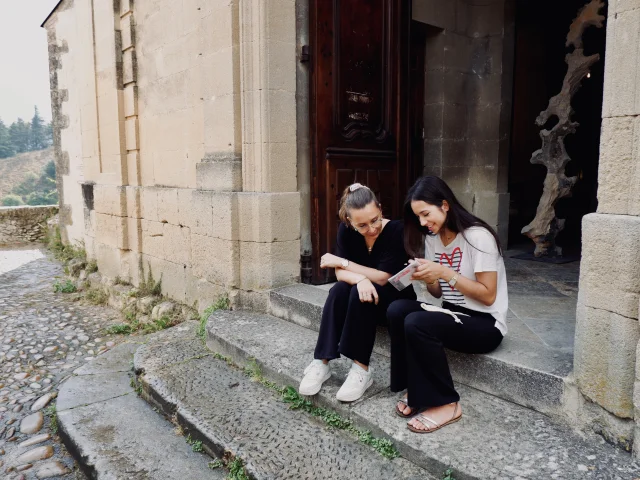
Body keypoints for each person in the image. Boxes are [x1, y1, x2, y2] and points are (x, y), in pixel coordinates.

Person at [387, 176, 508, 433]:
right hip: (452, 313)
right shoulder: (433, 238)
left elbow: (488, 295)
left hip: (485, 323)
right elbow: (437, 292)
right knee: (398, 309)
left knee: (417, 322)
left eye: (426, 213)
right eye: (417, 216)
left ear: (445, 205)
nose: (422, 222)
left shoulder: (478, 237)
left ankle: (447, 403)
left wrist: (443, 271)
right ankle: (416, 389)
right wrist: (427, 277)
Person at [299, 183, 416, 402]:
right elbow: (340, 275)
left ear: (380, 209)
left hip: (395, 299)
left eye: (375, 220)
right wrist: (361, 278)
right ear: (349, 221)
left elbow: (383, 277)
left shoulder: (396, 230)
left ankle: (361, 369)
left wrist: (343, 262)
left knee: (360, 293)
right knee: (340, 289)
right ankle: (321, 362)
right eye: (362, 225)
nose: (371, 229)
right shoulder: (346, 231)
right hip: (364, 295)